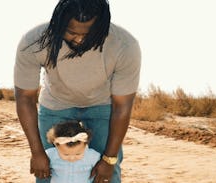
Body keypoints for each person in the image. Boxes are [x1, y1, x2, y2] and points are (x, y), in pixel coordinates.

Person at [14, 0, 141, 182]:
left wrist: (109, 159)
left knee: (107, 174)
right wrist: (37, 152)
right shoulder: (33, 42)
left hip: (102, 105)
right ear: (58, 23)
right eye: (71, 32)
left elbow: (122, 106)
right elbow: (25, 98)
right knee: (46, 169)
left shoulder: (125, 45)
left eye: (89, 34)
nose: (80, 39)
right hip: (56, 104)